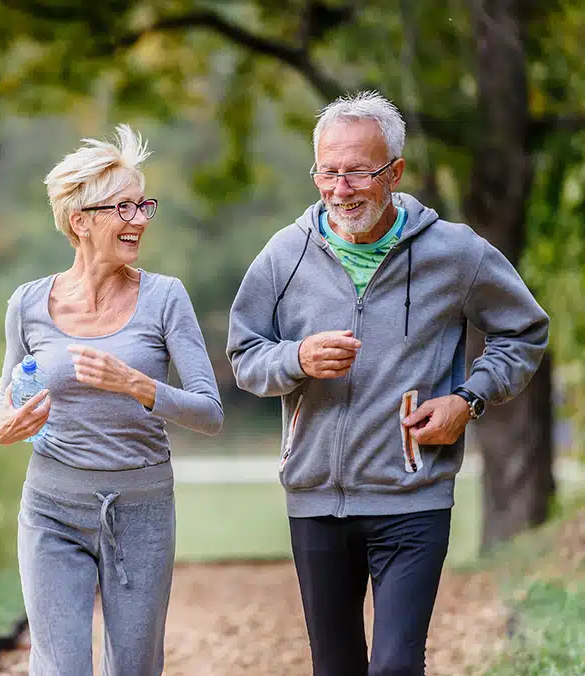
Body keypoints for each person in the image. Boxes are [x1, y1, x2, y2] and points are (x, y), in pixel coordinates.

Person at [226, 91, 548, 676]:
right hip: (316, 499)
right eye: (328, 172)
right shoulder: (284, 256)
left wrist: (469, 399)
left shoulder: (454, 252)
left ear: (395, 172)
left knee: (397, 666)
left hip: (413, 496)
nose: (341, 188)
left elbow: (524, 332)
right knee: (337, 667)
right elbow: (246, 357)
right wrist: (296, 358)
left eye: (358, 172)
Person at [0, 125, 223, 676]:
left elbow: (210, 412)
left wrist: (137, 385)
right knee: (60, 667)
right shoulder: (26, 304)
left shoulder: (165, 298)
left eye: (144, 205)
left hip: (141, 508)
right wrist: (5, 425)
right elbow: (4, 401)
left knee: (135, 668)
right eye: (124, 207)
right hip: (51, 506)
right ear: (81, 221)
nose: (140, 218)